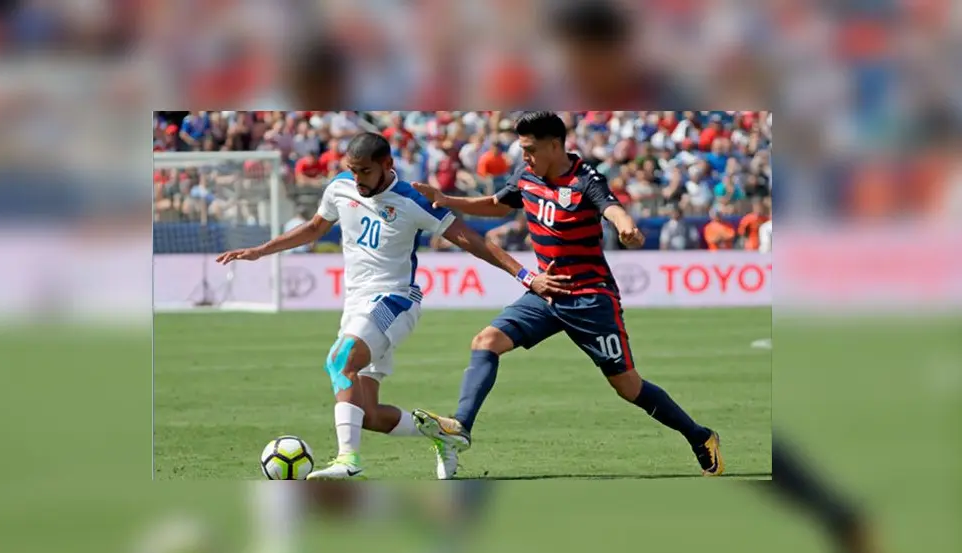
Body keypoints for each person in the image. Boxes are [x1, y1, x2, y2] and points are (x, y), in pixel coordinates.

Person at [216, 132, 570, 480]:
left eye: (365, 172)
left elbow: (471, 241)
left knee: (340, 360)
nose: (357, 180)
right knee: (366, 413)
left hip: (395, 299)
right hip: (356, 305)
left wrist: (526, 276)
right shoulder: (340, 187)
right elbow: (313, 228)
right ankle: (445, 433)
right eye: (352, 170)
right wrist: (261, 250)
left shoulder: (410, 199)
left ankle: (348, 460)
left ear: (387, 164)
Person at [408, 112, 722, 479]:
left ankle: (701, 437)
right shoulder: (527, 176)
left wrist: (627, 229)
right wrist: (446, 199)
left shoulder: (585, 179)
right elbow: (498, 203)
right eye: (521, 149)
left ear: (555, 146)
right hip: (546, 293)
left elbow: (612, 208)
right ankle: (460, 426)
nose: (524, 156)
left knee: (628, 387)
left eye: (530, 149)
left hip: (591, 299)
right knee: (486, 341)